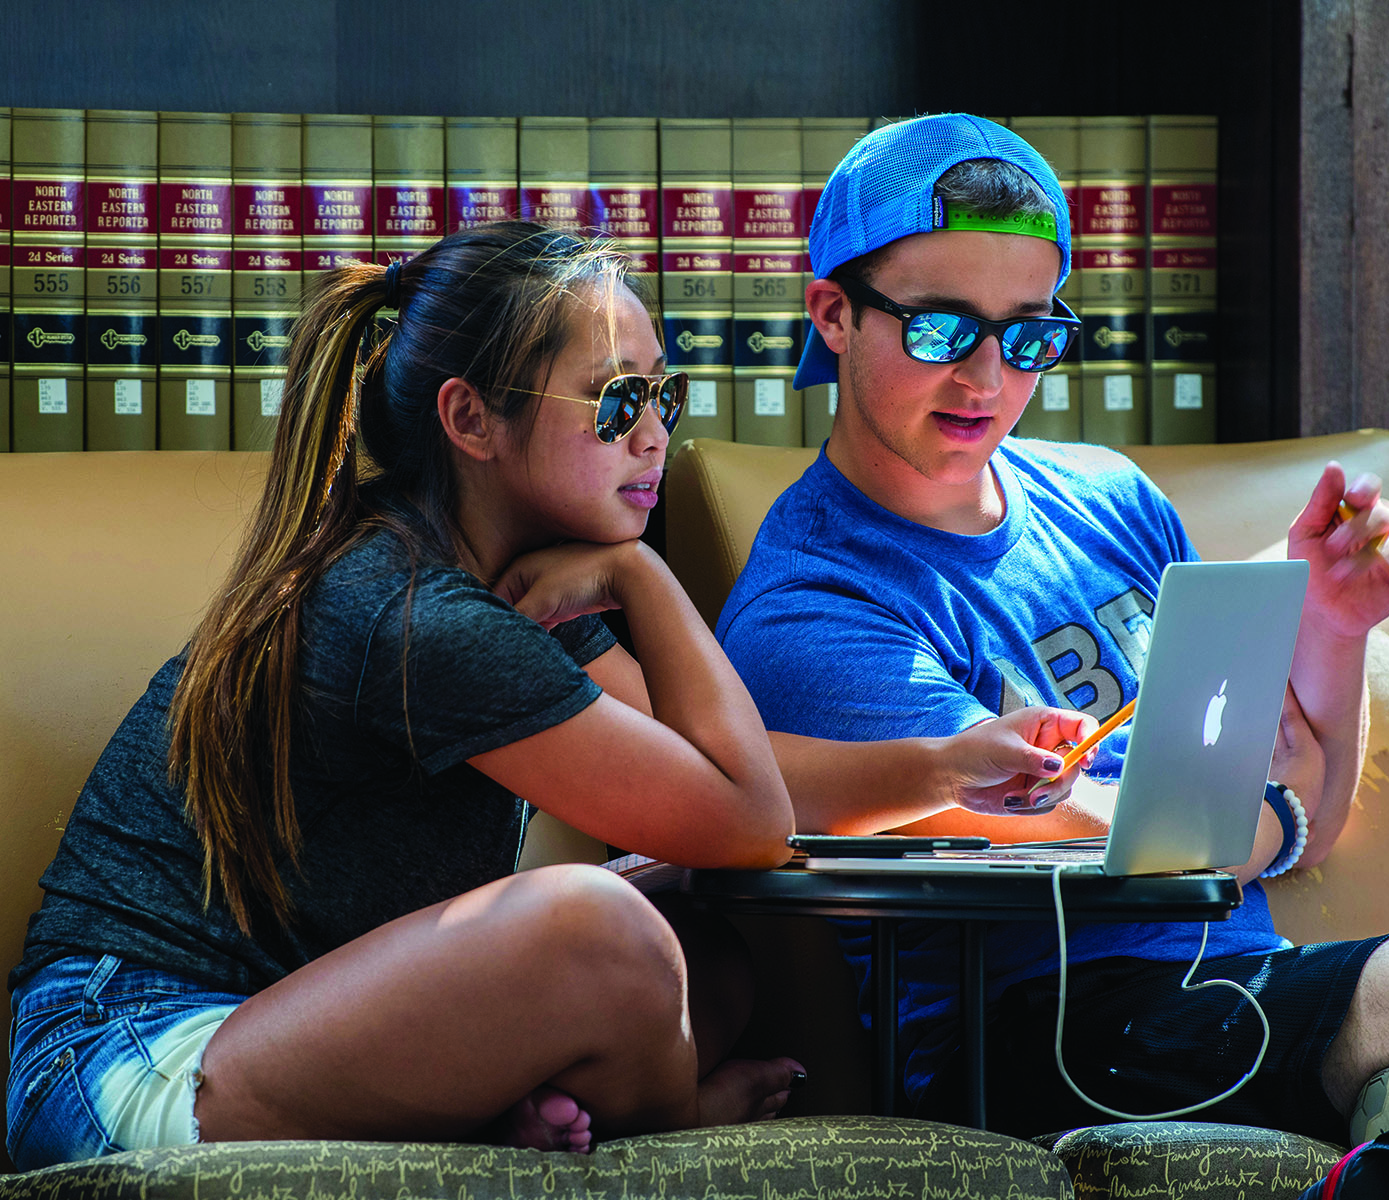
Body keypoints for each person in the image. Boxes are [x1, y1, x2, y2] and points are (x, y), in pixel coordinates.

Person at [6, 221, 1094, 1172]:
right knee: (600, 923)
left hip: (292, 1019)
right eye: (617, 401)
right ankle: (671, 1119)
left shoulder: (503, 580)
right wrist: (643, 576)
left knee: (711, 930)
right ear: (471, 420)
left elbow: (733, 787)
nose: (654, 434)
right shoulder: (417, 615)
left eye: (663, 394)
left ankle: (569, 1123)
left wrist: (949, 766)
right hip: (128, 1049)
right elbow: (749, 815)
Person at [716, 113, 1389, 1188]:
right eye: (942, 330)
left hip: (1238, 993)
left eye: (1029, 334)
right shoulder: (813, 601)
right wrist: (1264, 814)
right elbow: (1074, 839)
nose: (988, 379)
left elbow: (1295, 815)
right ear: (834, 315)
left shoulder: (1109, 499)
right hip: (1050, 1033)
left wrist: (1331, 625)